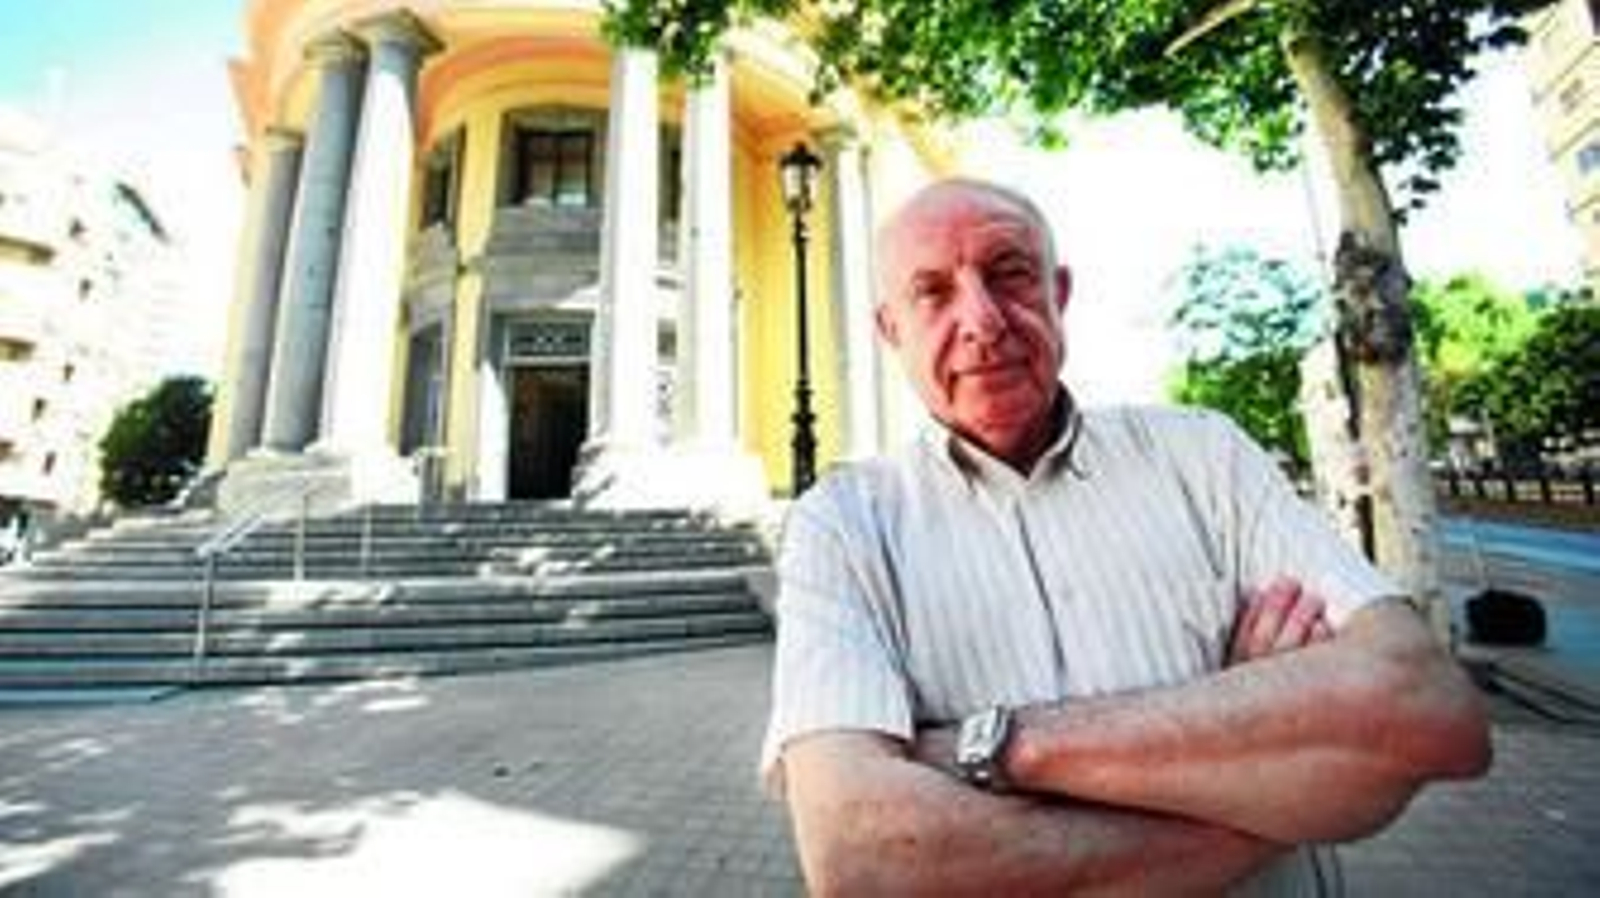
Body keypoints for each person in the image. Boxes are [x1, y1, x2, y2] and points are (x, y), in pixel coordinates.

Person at [760, 178, 1490, 895]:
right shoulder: (843, 525)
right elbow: (860, 855)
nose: (982, 319)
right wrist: (1271, 765)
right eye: (932, 293)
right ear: (891, 330)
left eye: (1010, 274)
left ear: (1059, 293)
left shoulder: (1206, 456)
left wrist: (997, 747)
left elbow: (1427, 708)